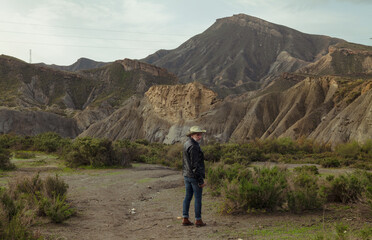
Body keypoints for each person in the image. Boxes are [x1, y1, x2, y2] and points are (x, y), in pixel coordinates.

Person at [182, 126, 207, 227]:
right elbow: (195, 166)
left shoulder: (186, 143)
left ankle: (185, 218)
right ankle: (198, 220)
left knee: (188, 197)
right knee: (197, 198)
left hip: (186, 175)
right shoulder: (194, 146)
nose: (200, 136)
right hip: (193, 177)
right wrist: (200, 181)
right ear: (192, 135)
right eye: (198, 134)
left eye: (200, 134)